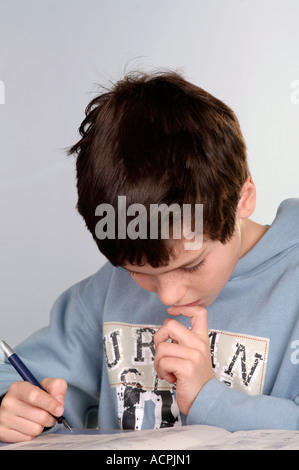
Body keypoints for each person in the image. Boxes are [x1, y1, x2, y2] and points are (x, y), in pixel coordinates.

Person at [1, 70, 299, 443]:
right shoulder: (105, 292)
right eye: (138, 273)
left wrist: (210, 398)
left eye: (191, 264)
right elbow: (16, 375)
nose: (168, 297)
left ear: (244, 199)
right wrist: (12, 406)